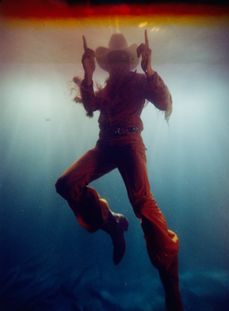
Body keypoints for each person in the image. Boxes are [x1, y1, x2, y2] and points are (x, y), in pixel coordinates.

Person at [55, 30, 184, 311]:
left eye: (122, 59)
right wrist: (88, 74)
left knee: (143, 205)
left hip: (129, 144)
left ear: (130, 61)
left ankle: (170, 281)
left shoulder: (140, 81)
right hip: (105, 145)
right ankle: (109, 222)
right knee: (66, 184)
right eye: (112, 60)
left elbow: (164, 102)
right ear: (108, 63)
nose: (117, 64)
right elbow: (90, 105)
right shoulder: (108, 86)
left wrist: (150, 70)